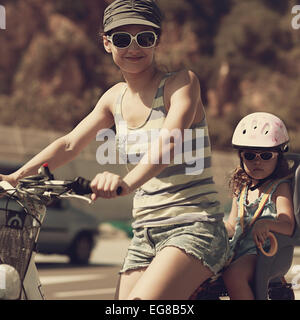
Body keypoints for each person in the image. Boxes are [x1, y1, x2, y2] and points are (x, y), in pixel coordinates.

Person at [0, 0, 229, 299]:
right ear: (107, 43)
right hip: (144, 233)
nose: (134, 47)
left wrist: (125, 183)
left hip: (194, 226)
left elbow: (169, 144)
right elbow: (69, 143)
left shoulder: (182, 83)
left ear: (157, 40)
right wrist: (14, 177)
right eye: (122, 38)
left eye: (144, 38)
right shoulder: (113, 99)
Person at [223, 112, 295, 300]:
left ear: (279, 156)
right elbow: (232, 224)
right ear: (241, 156)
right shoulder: (241, 186)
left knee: (234, 276)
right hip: (236, 250)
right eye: (249, 155)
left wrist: (267, 224)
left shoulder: (280, 187)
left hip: (266, 253)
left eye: (265, 155)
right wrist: (213, 228)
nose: (257, 161)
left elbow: (288, 226)